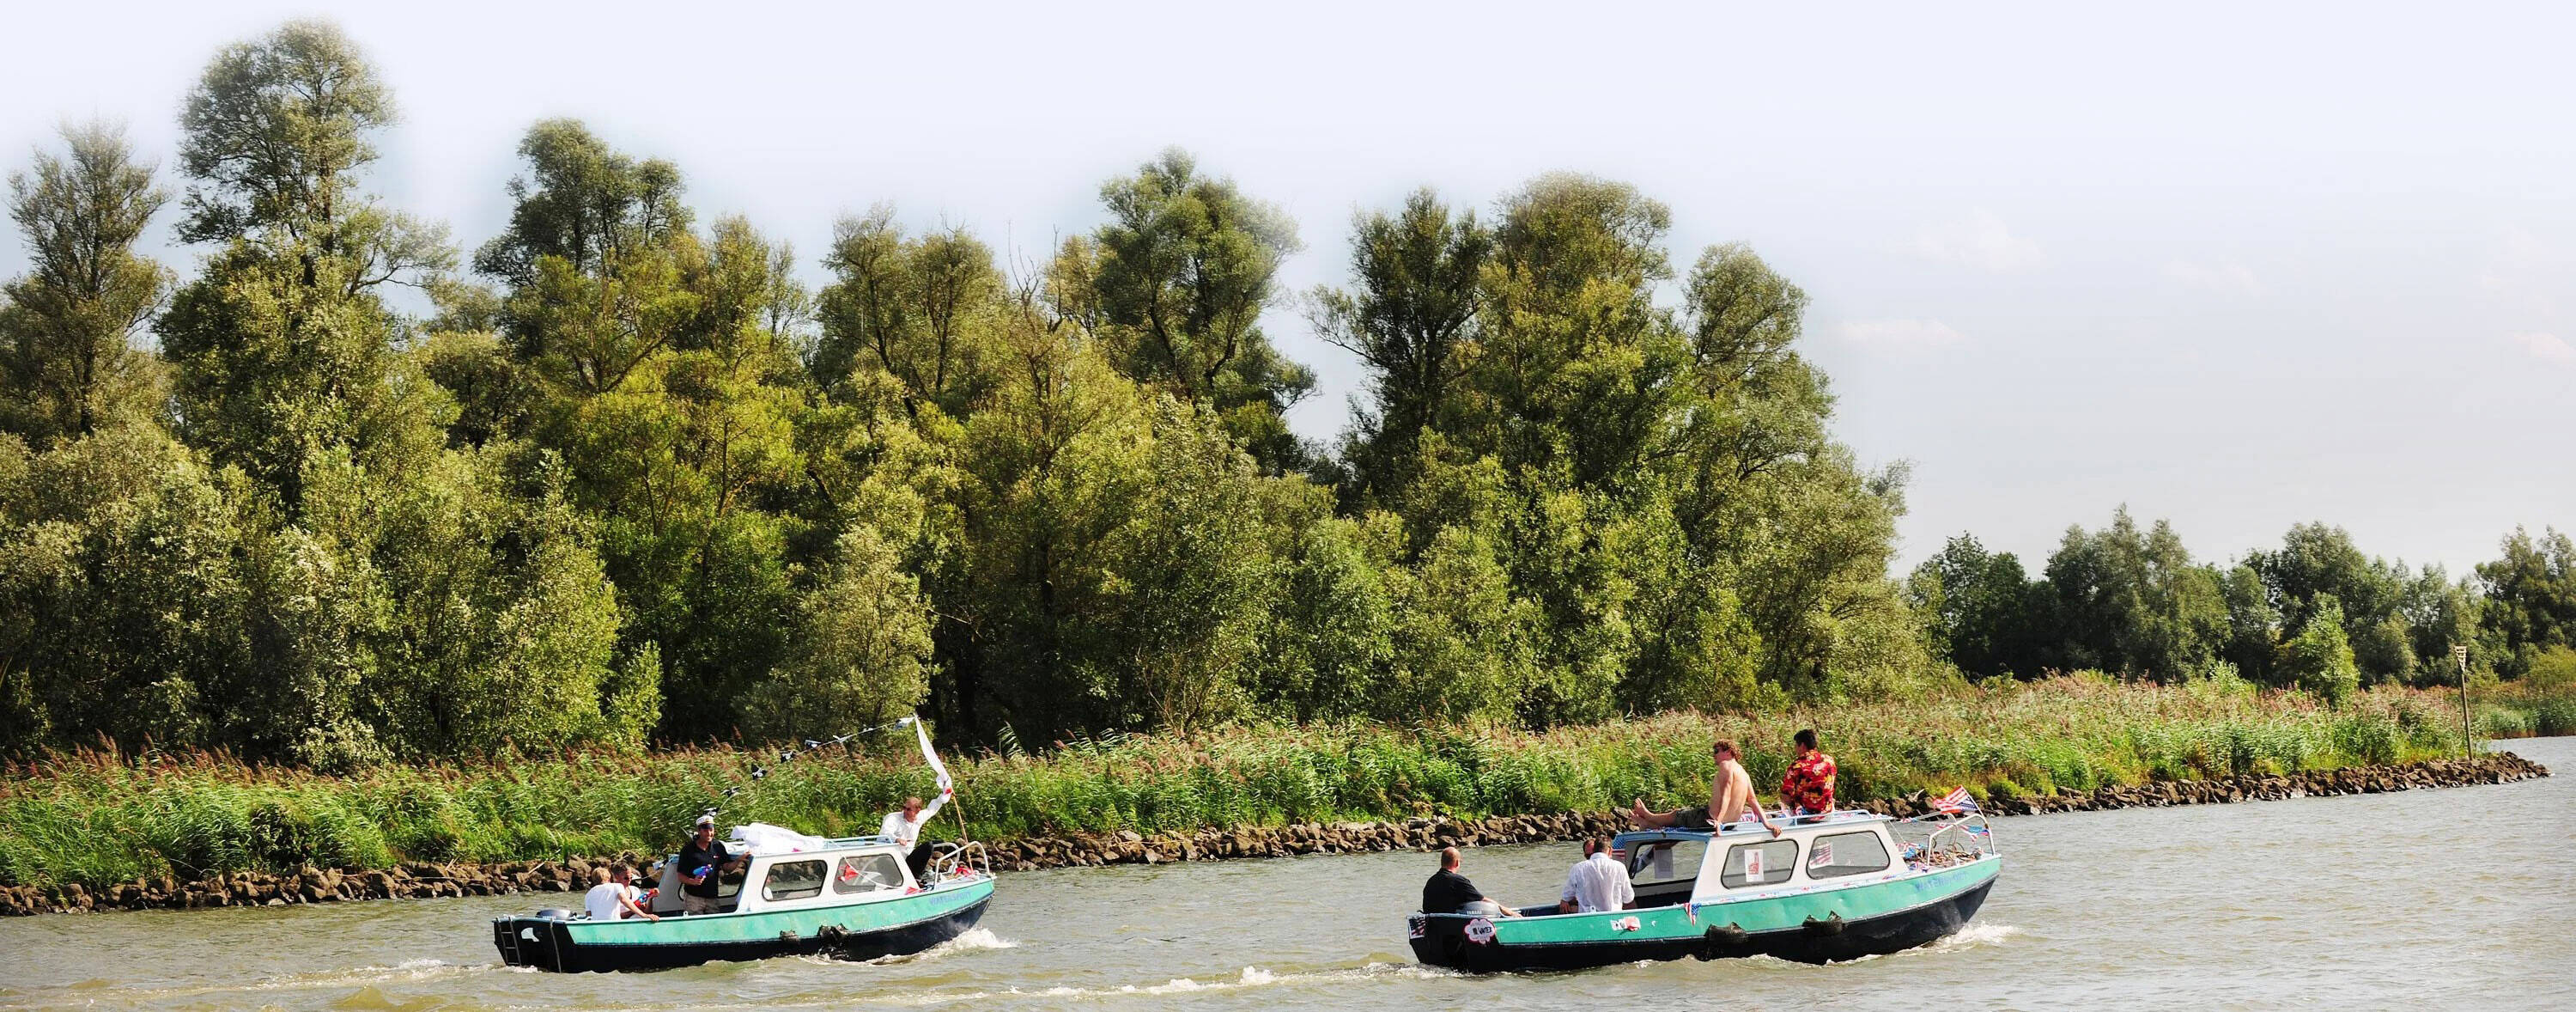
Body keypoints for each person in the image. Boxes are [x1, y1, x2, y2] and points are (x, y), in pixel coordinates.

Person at [1630, 739, 1783, 838]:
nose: (1714, 755)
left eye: (1717, 751)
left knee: (1678, 814)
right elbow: (1753, 801)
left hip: (1709, 819)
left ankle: (1648, 816)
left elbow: (1726, 795)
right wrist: (1768, 824)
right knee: (1680, 824)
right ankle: (1647, 823)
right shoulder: (1744, 773)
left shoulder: (1726, 765)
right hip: (1730, 825)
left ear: (1728, 752)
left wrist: (1718, 822)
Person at [1422, 846, 1522, 918]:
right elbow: (1482, 900)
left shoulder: (1431, 881)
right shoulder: (1458, 881)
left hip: (1434, 927)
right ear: (1457, 863)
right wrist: (1509, 912)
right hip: (1452, 927)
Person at [677, 814, 744, 914]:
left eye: (711, 830)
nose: (709, 833)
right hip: (693, 898)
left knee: (714, 922)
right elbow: (680, 876)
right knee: (695, 922)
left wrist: (738, 860)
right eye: (705, 830)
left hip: (712, 897)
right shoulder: (688, 849)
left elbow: (727, 868)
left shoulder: (718, 846)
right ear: (699, 831)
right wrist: (693, 881)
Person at [1557, 837, 1636, 914]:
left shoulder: (1578, 868)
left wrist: (1564, 901)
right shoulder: (1619, 867)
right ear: (1610, 850)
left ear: (1594, 850)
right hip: (1613, 916)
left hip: (1587, 916)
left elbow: (1567, 895)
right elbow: (1628, 898)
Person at [880, 791, 949, 878]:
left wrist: (945, 794)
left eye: (909, 809)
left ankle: (917, 877)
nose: (905, 811)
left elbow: (932, 808)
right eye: (904, 808)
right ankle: (914, 876)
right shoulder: (893, 818)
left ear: (917, 811)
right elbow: (884, 833)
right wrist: (897, 839)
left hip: (908, 857)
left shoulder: (920, 817)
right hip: (893, 858)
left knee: (929, 845)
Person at [1782, 729, 1838, 818]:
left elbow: (1786, 796)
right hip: (1827, 814)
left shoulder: (1796, 766)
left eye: (1796, 745)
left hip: (1804, 817)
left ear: (1802, 745)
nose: (1795, 749)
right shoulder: (1829, 761)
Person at [583, 865, 659, 922]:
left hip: (598, 927)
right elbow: (624, 900)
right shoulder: (617, 886)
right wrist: (644, 915)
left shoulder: (588, 894)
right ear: (609, 877)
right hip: (614, 924)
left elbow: (588, 917)